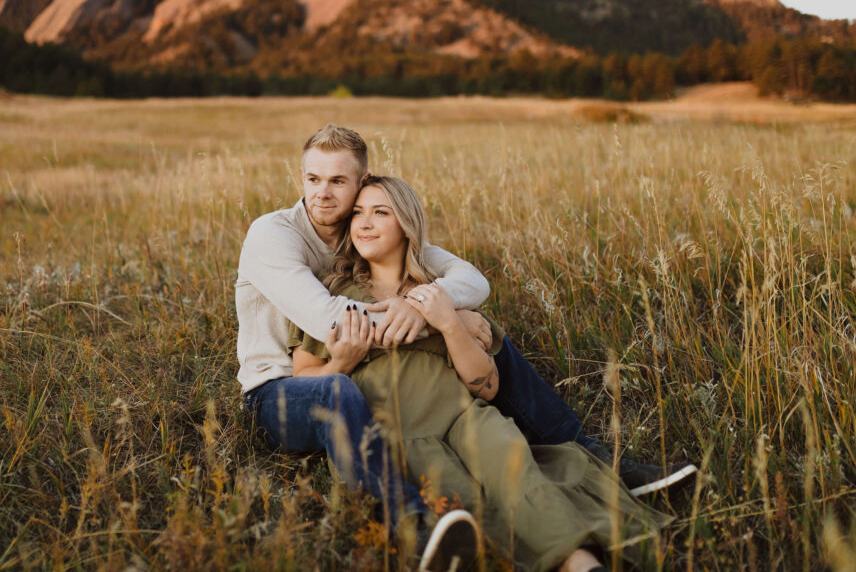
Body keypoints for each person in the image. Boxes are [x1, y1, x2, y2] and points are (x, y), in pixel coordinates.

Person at [235, 124, 692, 568]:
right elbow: (328, 318)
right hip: (278, 389)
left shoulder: (371, 228)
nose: (323, 194)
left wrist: (446, 313)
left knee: (495, 346)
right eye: (312, 179)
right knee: (342, 391)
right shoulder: (276, 235)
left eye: (338, 182)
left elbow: (472, 280)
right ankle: (409, 521)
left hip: (424, 397)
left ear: (362, 184)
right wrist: (437, 318)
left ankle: (594, 457)